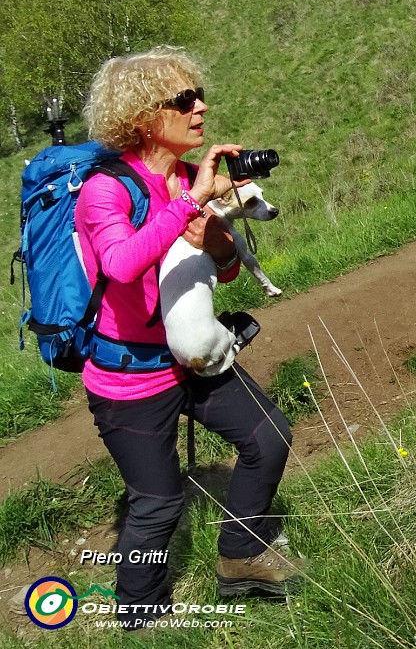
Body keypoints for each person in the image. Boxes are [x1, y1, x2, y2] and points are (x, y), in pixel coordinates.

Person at [76, 47, 301, 629]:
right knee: (158, 504)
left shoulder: (182, 177)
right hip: (131, 377)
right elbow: (123, 264)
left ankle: (240, 559)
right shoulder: (107, 190)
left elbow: (216, 270)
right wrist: (191, 202)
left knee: (268, 435)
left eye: (198, 94)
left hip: (191, 358)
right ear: (143, 114)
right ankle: (140, 618)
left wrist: (222, 241)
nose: (200, 107)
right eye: (183, 100)